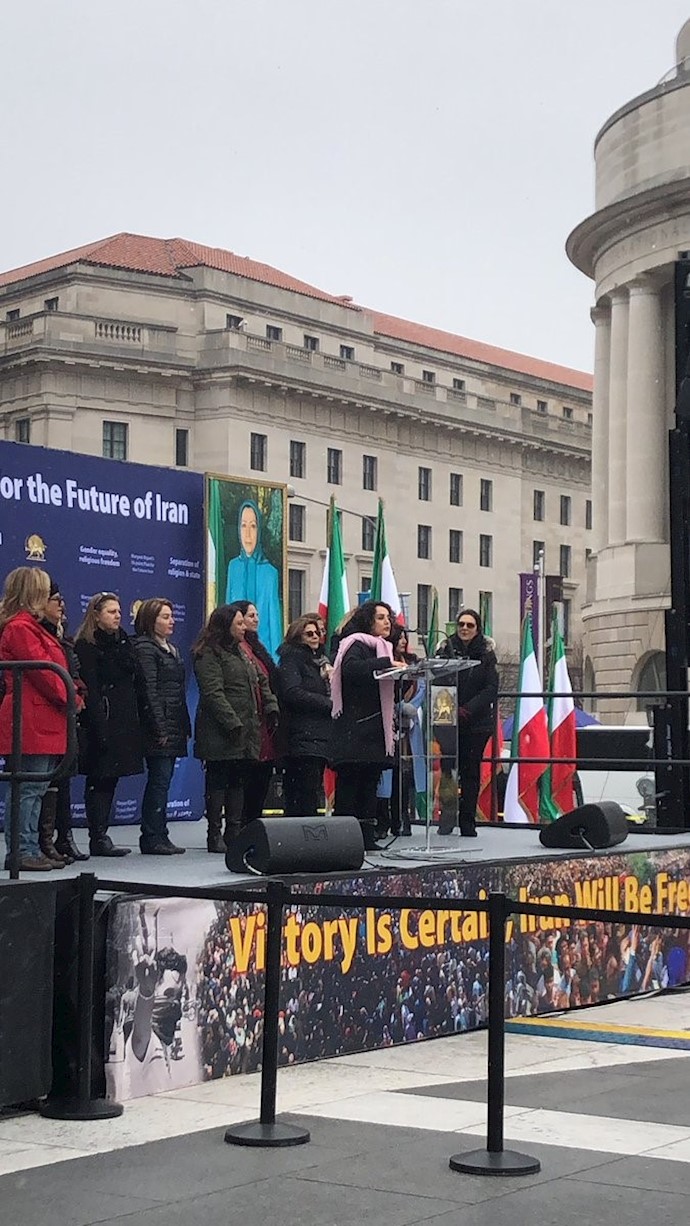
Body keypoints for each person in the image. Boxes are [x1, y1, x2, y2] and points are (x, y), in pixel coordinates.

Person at [0, 567, 71, 871]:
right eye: (44, 591)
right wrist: (68, 694)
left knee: (37, 787)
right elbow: (43, 671)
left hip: (43, 714)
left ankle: (29, 847)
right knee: (27, 787)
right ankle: (21, 850)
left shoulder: (35, 626)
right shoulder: (20, 628)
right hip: (29, 715)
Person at [193, 603, 279, 853]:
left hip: (246, 728)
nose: (244, 628)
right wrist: (232, 722)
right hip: (221, 730)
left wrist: (271, 705)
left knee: (238, 782)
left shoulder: (242, 653)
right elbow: (213, 692)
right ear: (225, 626)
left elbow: (261, 680)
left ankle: (234, 831)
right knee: (218, 782)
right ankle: (214, 834)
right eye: (239, 623)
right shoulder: (208, 653)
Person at [329, 600, 405, 850]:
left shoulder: (384, 647)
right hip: (355, 728)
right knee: (351, 784)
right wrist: (386, 665)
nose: (387, 622)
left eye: (388, 618)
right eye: (381, 617)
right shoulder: (356, 643)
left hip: (373, 728)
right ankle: (344, 839)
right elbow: (351, 670)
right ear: (368, 620)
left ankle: (366, 836)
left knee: (370, 783)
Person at [75, 592, 146, 856]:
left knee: (112, 778)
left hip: (124, 718)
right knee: (99, 777)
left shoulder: (124, 641)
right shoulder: (87, 645)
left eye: (118, 611)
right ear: (96, 615)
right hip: (101, 718)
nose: (118, 616)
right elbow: (91, 687)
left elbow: (135, 678)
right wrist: (99, 726)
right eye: (111, 612)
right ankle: (97, 835)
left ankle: (103, 832)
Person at [133, 598, 191, 855]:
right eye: (165, 617)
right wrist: (159, 727)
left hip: (173, 721)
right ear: (150, 620)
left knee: (163, 782)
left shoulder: (171, 648)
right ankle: (151, 835)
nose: (172, 621)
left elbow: (176, 691)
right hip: (159, 725)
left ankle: (161, 833)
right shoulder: (145, 648)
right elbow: (149, 689)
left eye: (171, 616)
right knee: (158, 781)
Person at [435, 608, 499, 837]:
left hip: (477, 722)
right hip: (447, 720)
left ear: (477, 628)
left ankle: (468, 821)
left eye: (469, 625)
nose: (464, 628)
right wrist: (450, 709)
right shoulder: (445, 649)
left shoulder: (486, 653)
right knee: (448, 771)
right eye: (461, 624)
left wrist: (468, 709)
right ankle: (447, 818)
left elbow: (491, 687)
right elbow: (437, 680)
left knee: (471, 772)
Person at [38, 581, 89, 864]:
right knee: (40, 784)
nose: (61, 605)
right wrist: (69, 695)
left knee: (62, 781)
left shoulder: (63, 638)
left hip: (66, 714)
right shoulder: (37, 633)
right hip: (46, 712)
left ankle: (62, 838)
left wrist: (79, 694)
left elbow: (74, 671)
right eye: (55, 599)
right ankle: (38, 844)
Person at [277, 616, 332, 815]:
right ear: (297, 637)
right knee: (303, 791)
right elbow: (292, 692)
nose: (315, 637)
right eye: (309, 633)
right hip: (300, 734)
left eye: (317, 633)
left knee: (312, 788)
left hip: (319, 734)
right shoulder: (292, 659)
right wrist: (327, 703)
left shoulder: (321, 662)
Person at [235, 600, 279, 823]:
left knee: (262, 775)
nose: (255, 619)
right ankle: (243, 823)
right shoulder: (238, 648)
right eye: (250, 616)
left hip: (263, 720)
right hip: (247, 719)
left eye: (256, 615)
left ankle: (253, 821)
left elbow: (266, 679)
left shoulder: (257, 647)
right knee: (248, 777)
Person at [225, 500, 282, 660]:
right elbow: (227, 609)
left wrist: (276, 660)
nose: (248, 535)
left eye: (253, 526)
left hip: (262, 650)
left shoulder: (270, 572)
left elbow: (273, 621)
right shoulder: (233, 567)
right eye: (243, 526)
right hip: (235, 650)